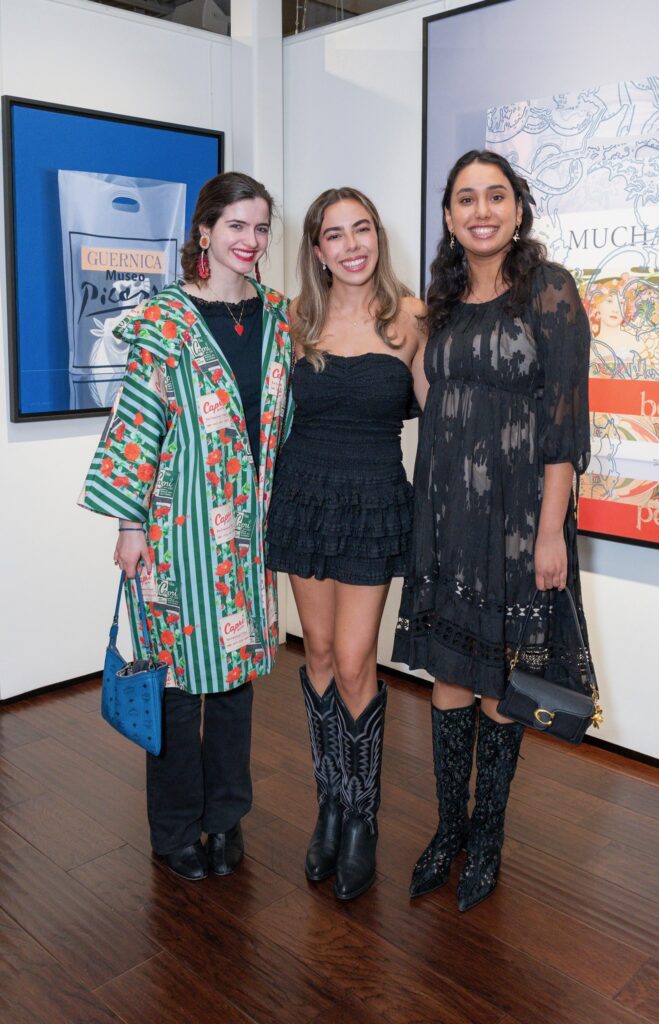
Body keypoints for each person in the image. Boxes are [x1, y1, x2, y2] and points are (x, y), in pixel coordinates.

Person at [394, 150, 591, 912]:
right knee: (448, 677)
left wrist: (550, 533)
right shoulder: (436, 306)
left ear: (517, 209)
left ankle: (488, 838)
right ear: (448, 216)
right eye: (466, 199)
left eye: (496, 196)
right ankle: (449, 829)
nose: (482, 210)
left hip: (517, 526)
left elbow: (565, 423)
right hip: (445, 518)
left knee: (502, 690)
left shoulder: (549, 292)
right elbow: (429, 394)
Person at [80, 172, 291, 881]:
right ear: (204, 231)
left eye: (260, 228)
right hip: (179, 528)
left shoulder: (278, 317)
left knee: (234, 684)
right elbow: (136, 423)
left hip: (250, 531)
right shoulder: (165, 319)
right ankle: (174, 830)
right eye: (236, 226)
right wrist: (129, 522)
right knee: (175, 685)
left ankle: (226, 819)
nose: (250, 241)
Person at [266, 187, 424, 900]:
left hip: (372, 500)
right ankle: (328, 802)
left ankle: (363, 816)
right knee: (320, 653)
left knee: (359, 659)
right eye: (336, 235)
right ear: (318, 249)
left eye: (363, 230)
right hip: (303, 497)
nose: (352, 244)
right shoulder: (295, 319)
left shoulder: (413, 316)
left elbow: (445, 414)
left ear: (377, 239)